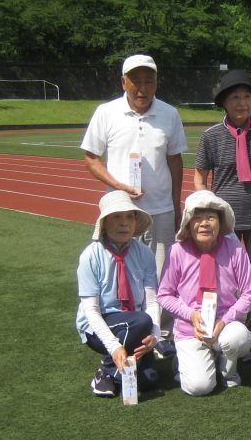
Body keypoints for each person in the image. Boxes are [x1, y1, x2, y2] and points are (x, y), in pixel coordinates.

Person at [80, 54, 187, 358]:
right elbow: (90, 157)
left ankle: (160, 333)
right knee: (118, 271)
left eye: (149, 80)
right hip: (120, 210)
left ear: (156, 82)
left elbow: (175, 159)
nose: (143, 87)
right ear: (123, 81)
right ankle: (123, 325)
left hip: (161, 208)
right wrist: (119, 185)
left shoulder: (169, 114)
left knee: (161, 271)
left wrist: (176, 202)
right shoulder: (107, 112)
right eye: (136, 80)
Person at [194, 70, 251, 364]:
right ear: (224, 102)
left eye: (247, 97)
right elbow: (200, 176)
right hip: (224, 220)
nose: (242, 103)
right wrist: (209, 206)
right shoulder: (211, 136)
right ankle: (218, 333)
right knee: (219, 276)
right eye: (235, 97)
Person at [157, 190, 251, 396]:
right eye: (198, 218)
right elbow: (164, 295)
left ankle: (228, 372)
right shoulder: (177, 251)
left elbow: (250, 293)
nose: (204, 223)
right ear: (188, 224)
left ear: (220, 223)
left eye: (211, 217)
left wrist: (224, 321)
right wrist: (191, 316)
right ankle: (184, 360)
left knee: (238, 338)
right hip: (189, 330)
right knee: (200, 387)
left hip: (225, 324)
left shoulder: (235, 248)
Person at [75, 190, 160, 397]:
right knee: (141, 321)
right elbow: (91, 310)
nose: (125, 223)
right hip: (100, 323)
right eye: (117, 217)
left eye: (129, 217)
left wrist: (155, 336)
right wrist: (114, 348)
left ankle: (113, 373)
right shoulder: (91, 256)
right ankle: (106, 367)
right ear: (104, 223)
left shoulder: (144, 253)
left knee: (149, 380)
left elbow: (152, 300)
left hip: (135, 323)